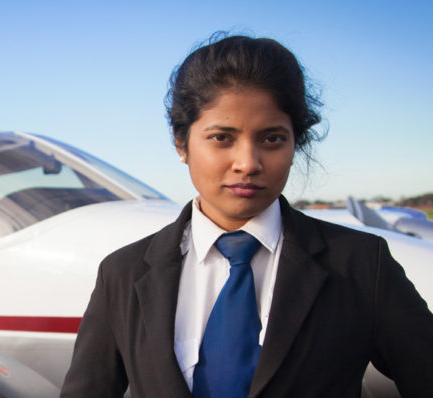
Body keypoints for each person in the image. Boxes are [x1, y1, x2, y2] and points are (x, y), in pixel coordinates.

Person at [60, 34, 433, 398]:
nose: (248, 164)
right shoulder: (122, 274)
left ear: (295, 143)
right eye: (222, 137)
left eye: (272, 139)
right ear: (181, 143)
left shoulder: (363, 265)